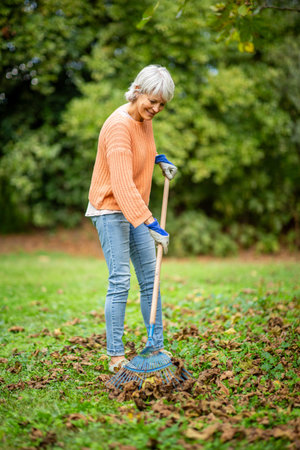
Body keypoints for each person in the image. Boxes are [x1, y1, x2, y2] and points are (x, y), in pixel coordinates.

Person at [85, 64, 178, 372]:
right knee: (121, 281)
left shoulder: (144, 120)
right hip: (111, 208)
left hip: (134, 206)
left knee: (152, 279)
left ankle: (155, 347)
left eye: (162, 104)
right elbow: (122, 184)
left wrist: (158, 159)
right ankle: (115, 356)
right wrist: (151, 222)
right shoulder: (117, 125)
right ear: (138, 91)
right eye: (153, 100)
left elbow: (138, 150)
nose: (156, 108)